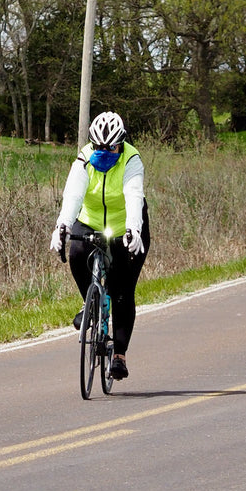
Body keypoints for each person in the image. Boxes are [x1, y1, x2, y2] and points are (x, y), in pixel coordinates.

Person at [49, 111, 150, 380]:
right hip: (90, 220)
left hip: (125, 226)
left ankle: (119, 354)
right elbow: (73, 193)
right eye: (99, 148)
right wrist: (62, 226)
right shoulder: (84, 158)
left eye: (111, 148)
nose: (105, 153)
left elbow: (133, 195)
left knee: (122, 289)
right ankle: (89, 304)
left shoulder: (131, 159)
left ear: (122, 143)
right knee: (77, 252)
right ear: (91, 144)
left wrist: (133, 230)